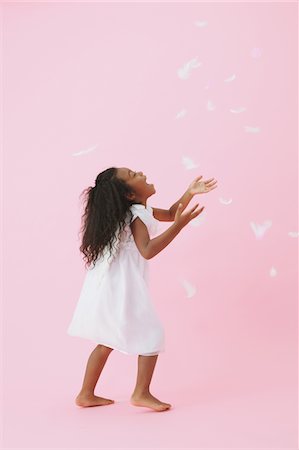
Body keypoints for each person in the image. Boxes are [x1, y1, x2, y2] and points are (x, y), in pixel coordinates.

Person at [67, 166, 217, 412]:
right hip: (123, 285)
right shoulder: (135, 215)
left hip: (114, 283)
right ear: (129, 195)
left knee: (106, 339)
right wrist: (179, 226)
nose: (141, 173)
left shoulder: (139, 210)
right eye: (133, 175)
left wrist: (190, 192)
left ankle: (86, 394)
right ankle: (141, 392)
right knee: (152, 333)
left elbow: (170, 212)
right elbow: (147, 250)